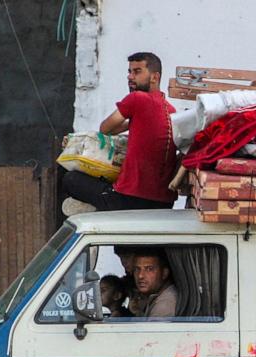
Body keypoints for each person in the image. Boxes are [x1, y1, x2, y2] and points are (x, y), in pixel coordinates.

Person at [62, 52, 178, 213]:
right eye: (129, 72)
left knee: (70, 178)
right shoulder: (170, 110)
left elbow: (106, 129)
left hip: (129, 199)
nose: (130, 77)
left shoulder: (137, 99)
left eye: (137, 72)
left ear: (154, 77)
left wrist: (128, 123)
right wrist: (132, 123)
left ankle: (94, 211)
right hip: (164, 202)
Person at [132, 250, 178, 318]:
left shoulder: (164, 305)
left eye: (149, 269)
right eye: (137, 269)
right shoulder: (157, 296)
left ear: (164, 273)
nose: (140, 276)